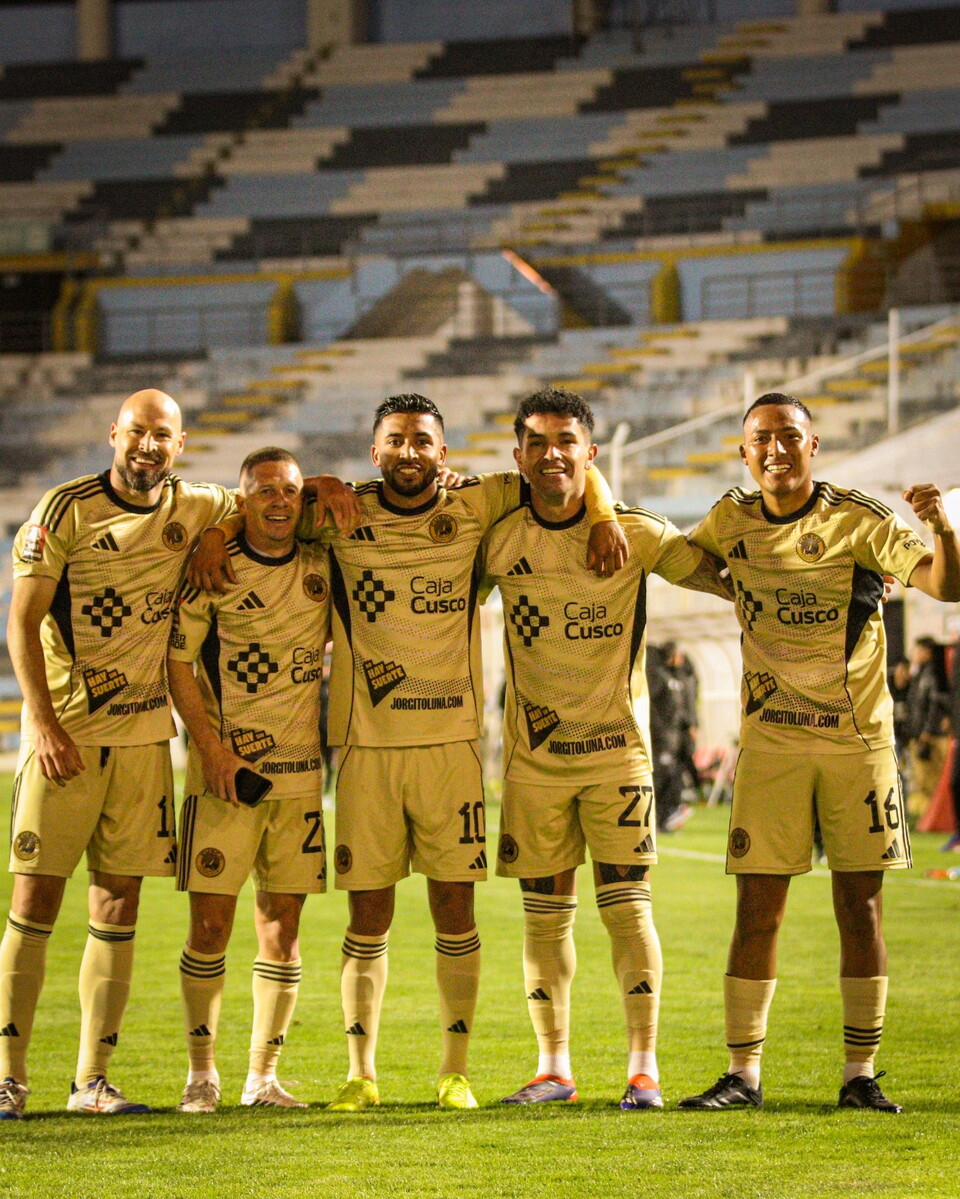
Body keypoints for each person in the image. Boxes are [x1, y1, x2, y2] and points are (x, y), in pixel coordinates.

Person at [189, 392, 627, 1112]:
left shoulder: (479, 504)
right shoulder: (335, 510)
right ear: (375, 452)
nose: (410, 453)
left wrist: (606, 514)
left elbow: (566, 473)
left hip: (452, 745)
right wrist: (217, 531)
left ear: (443, 454)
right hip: (365, 746)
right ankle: (362, 1072)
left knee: (456, 908)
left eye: (423, 441)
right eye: (395, 440)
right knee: (369, 914)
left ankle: (455, 1070)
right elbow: (260, 509)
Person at [679, 392, 960, 1114]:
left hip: (855, 743)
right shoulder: (729, 519)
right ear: (744, 452)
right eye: (761, 439)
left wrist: (940, 526)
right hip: (771, 746)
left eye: (790, 436)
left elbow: (946, 584)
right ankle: (743, 1075)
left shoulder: (859, 519)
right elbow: (683, 557)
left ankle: (858, 1073)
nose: (776, 449)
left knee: (859, 906)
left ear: (814, 443)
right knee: (756, 909)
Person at [479, 389, 730, 1110]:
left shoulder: (639, 535)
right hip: (533, 760)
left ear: (590, 454)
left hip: (618, 754)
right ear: (518, 454)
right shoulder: (496, 540)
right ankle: (552, 1066)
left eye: (567, 441)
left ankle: (642, 1069)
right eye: (538, 441)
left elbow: (726, 580)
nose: (552, 452)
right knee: (543, 916)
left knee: (628, 909)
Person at [0, 389, 237, 1118]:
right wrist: (39, 722)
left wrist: (215, 535)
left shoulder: (196, 503)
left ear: (181, 443)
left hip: (142, 744)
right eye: (137, 432)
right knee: (34, 901)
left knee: (118, 904)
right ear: (114, 433)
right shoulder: (63, 508)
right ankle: (7, 1076)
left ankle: (90, 1081)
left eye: (162, 435)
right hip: (66, 740)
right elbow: (22, 619)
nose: (148, 446)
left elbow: (276, 499)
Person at [167, 448, 331, 1114]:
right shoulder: (215, 570)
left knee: (283, 930)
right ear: (242, 501)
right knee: (210, 926)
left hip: (299, 780)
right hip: (227, 776)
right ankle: (201, 1073)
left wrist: (322, 485)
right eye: (264, 490)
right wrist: (208, 748)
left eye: (291, 489)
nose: (280, 501)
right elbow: (178, 664)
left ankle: (261, 1075)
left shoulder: (323, 563)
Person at [905, 637, 950, 821]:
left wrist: (928, 730)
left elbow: (934, 704)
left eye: (917, 650)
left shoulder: (932, 675)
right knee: (923, 781)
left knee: (932, 780)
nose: (914, 654)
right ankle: (929, 818)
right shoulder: (920, 674)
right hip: (919, 732)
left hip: (928, 735)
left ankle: (936, 820)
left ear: (926, 652)